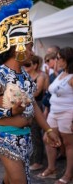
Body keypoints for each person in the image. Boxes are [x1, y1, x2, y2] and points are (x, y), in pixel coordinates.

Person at [0, 0, 61, 183]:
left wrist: (47, 130)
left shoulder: (24, 74)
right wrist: (9, 111)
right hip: (7, 138)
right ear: (18, 47)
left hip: (26, 138)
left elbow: (34, 107)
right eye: (29, 47)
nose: (31, 52)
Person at [38, 47, 73, 184]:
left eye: (58, 58)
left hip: (68, 112)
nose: (56, 60)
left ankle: (68, 175)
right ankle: (51, 168)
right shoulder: (60, 74)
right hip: (54, 111)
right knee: (48, 138)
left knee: (69, 144)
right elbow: (50, 90)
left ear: (67, 59)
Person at [23, 55, 46, 171]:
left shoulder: (40, 76)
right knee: (28, 133)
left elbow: (36, 93)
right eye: (25, 64)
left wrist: (21, 97)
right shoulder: (24, 76)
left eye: (28, 64)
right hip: (25, 107)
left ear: (35, 65)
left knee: (36, 133)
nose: (25, 66)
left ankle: (38, 161)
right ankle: (30, 157)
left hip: (37, 106)